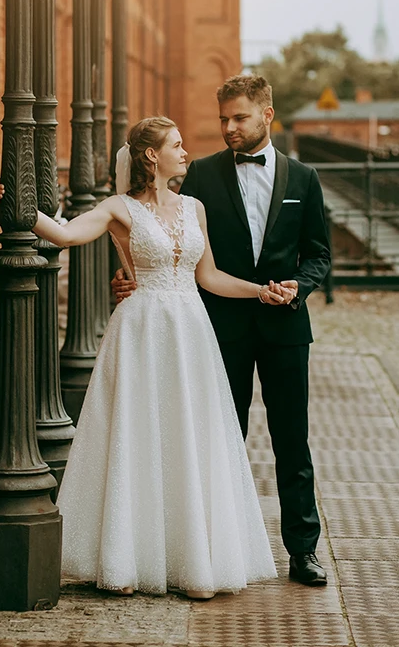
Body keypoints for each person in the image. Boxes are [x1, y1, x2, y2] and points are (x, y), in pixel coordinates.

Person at [0, 116, 278, 598]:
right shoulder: (118, 209)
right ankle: (129, 558)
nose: (185, 151)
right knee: (140, 434)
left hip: (190, 331)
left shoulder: (195, 208)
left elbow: (208, 277)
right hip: (141, 329)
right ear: (152, 156)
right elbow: (64, 236)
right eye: (177, 144)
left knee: (188, 435)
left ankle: (194, 563)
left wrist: (261, 292)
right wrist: (15, 205)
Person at [114, 76, 331, 587]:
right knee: (216, 439)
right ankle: (210, 548)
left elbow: (319, 253)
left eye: (239, 118)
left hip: (285, 328)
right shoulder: (201, 175)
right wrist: (131, 273)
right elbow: (145, 218)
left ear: (267, 115)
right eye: (223, 120)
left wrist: (299, 285)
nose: (229, 128)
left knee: (292, 443)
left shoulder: (304, 178)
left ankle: (303, 552)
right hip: (215, 328)